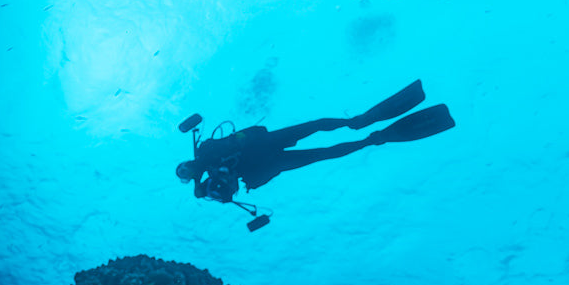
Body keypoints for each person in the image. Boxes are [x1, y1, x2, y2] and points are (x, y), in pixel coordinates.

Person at [175, 80, 454, 203]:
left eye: (184, 168)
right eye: (185, 175)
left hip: (266, 147)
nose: (188, 169)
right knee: (323, 152)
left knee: (316, 126)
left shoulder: (204, 148)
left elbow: (236, 137)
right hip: (271, 161)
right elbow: (225, 195)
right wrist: (212, 182)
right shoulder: (205, 185)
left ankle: (358, 122)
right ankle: (374, 138)